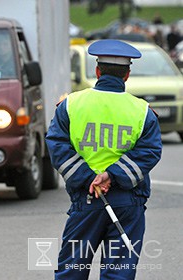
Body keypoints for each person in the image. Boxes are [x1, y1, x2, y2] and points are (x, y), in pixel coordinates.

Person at [45, 39, 162, 279]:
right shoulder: (142, 112)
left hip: (86, 199)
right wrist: (112, 176)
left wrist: (89, 178)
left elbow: (57, 144)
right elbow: (149, 151)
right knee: (119, 273)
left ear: (97, 71)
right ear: (127, 75)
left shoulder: (70, 105)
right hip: (127, 203)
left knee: (72, 271)